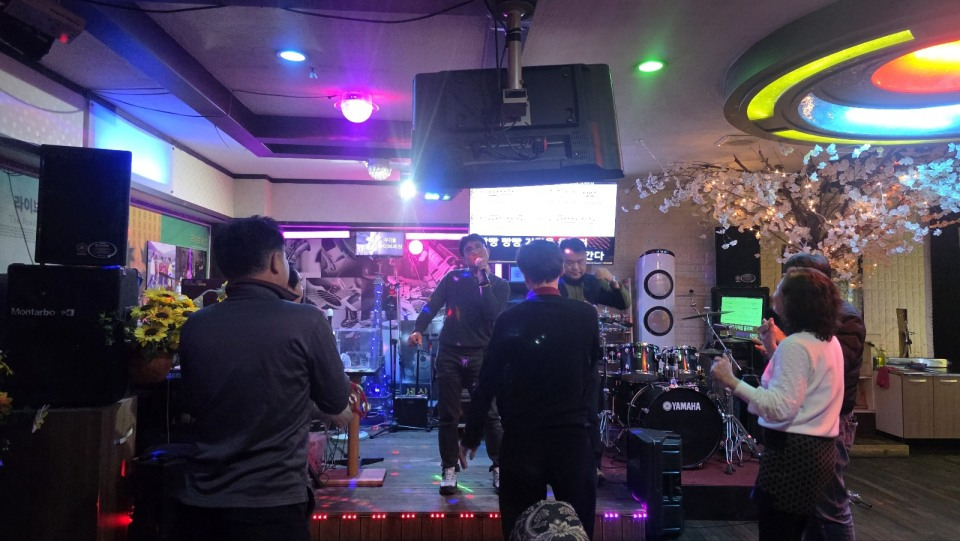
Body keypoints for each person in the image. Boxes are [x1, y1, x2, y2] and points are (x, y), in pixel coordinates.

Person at [176, 216, 353, 541]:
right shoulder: (308, 321)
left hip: (199, 503)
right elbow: (335, 400)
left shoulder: (195, 325)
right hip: (273, 504)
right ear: (275, 261)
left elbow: (191, 403)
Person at [460, 240, 600, 539]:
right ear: (561, 270)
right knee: (579, 530)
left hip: (522, 440)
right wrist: (594, 441)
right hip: (573, 439)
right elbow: (591, 381)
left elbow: (487, 382)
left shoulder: (509, 319)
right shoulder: (586, 316)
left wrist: (470, 436)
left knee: (519, 528)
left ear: (524, 274)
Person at [712, 267, 844, 541]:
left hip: (791, 456)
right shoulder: (829, 341)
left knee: (778, 531)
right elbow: (805, 386)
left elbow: (780, 408)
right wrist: (774, 350)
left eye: (780, 291)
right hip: (819, 452)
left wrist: (731, 380)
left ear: (795, 301)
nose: (774, 296)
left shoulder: (795, 345)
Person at [407, 233, 509, 495]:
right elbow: (431, 305)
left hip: (481, 355)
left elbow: (492, 313)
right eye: (468, 249)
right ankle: (449, 468)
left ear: (487, 252)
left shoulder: (500, 284)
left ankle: (500, 467)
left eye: (478, 247)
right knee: (448, 416)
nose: (474, 252)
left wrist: (483, 280)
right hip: (450, 353)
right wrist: (418, 328)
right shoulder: (452, 278)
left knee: (491, 416)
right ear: (463, 257)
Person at [780, 254, 865, 541]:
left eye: (795, 278)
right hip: (810, 421)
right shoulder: (809, 318)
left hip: (833, 421)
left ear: (818, 281)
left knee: (831, 506)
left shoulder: (846, 317)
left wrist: (784, 345)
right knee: (812, 507)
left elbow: (828, 370)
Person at [557, 237, 629, 310]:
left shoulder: (593, 282)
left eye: (580, 262)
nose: (575, 267)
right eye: (570, 262)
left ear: (586, 260)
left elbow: (624, 304)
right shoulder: (554, 283)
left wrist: (612, 280)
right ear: (561, 262)